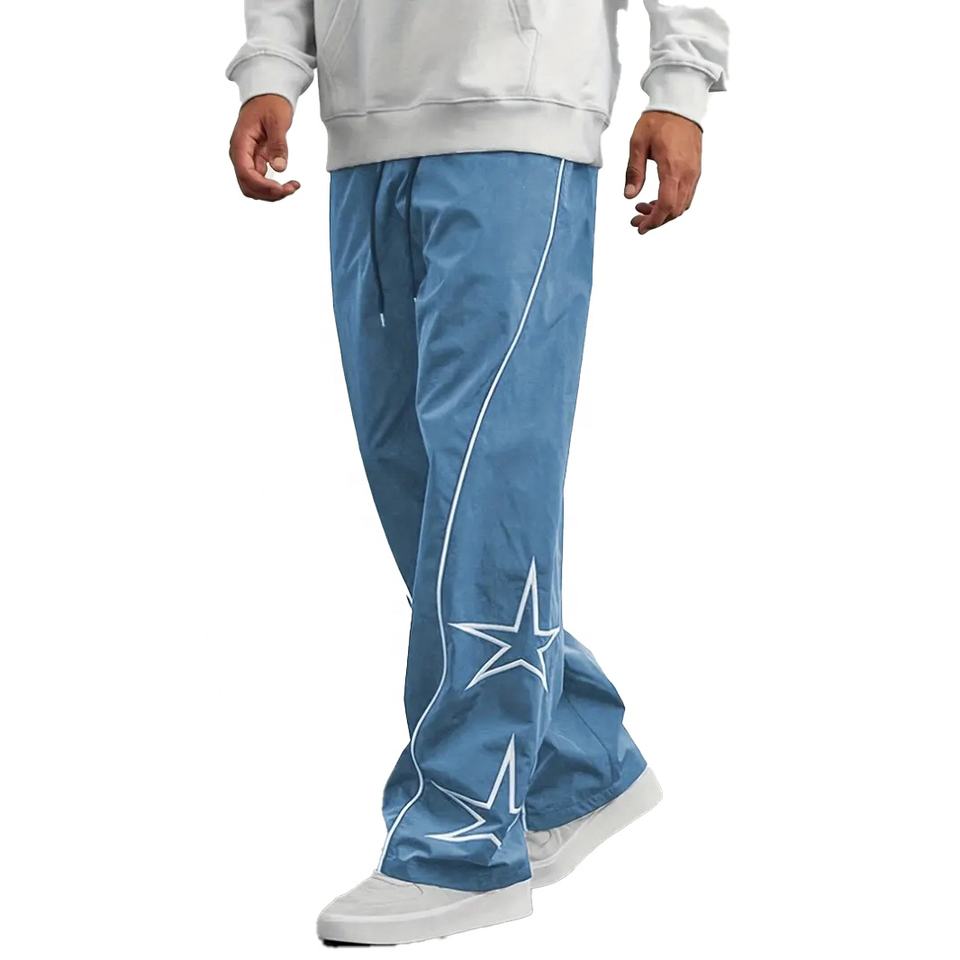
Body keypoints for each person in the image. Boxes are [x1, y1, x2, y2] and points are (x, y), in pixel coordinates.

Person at [227, 0, 728, 945]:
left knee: (489, 481)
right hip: (365, 130)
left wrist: (682, 80)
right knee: (414, 483)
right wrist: (271, 66)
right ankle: (574, 763)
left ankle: (461, 839)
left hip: (519, 116)